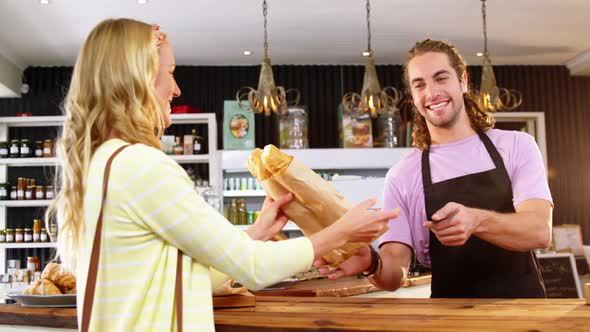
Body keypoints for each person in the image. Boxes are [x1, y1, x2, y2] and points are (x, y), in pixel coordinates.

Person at [47, 18, 398, 331]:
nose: (177, 89)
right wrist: (340, 232)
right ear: (137, 77)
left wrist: (257, 233)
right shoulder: (142, 166)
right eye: (170, 72)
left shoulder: (105, 163)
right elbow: (254, 268)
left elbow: (178, 277)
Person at [316, 39, 553, 299]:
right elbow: (395, 272)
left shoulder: (516, 145)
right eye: (420, 85)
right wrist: (371, 264)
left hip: (525, 313)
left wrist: (477, 220)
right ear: (413, 96)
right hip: (448, 318)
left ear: (462, 81)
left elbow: (539, 231)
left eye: (441, 78)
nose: (432, 93)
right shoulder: (403, 175)